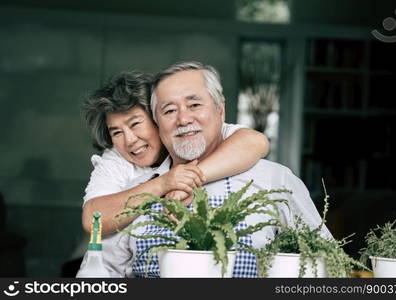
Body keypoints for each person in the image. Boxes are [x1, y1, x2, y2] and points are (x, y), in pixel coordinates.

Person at [105, 61, 332, 278]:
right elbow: (100, 274)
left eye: (194, 105)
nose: (183, 119)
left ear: (220, 110)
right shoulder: (136, 192)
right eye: (169, 111)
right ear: (157, 122)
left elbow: (326, 263)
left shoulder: (274, 179)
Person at [81, 71, 270, 235]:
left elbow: (256, 142)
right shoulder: (117, 157)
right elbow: (92, 219)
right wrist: (164, 183)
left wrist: (186, 181)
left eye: (135, 124)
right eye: (116, 132)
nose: (129, 140)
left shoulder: (192, 134)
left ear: (159, 118)